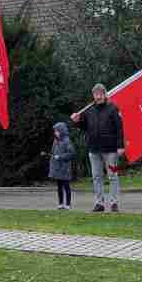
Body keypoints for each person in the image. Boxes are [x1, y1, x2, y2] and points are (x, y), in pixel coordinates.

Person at [71, 83, 124, 212]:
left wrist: (120, 146)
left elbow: (119, 128)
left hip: (111, 149)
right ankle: (99, 203)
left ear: (105, 94)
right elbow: (84, 127)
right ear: (93, 95)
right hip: (94, 149)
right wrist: (77, 121)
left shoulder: (113, 108)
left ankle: (114, 203)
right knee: (96, 176)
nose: (98, 96)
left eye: (100, 93)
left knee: (112, 175)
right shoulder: (89, 110)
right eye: (96, 94)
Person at [49, 122, 75, 209]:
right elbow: (53, 152)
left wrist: (60, 157)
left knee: (66, 186)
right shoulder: (55, 141)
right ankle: (60, 203)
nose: (55, 132)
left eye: (57, 131)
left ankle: (68, 204)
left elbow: (71, 153)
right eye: (55, 131)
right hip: (58, 167)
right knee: (59, 186)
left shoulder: (67, 141)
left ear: (62, 131)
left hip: (65, 167)